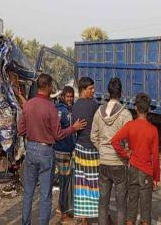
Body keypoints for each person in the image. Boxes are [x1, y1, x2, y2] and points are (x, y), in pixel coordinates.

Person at [18, 74, 86, 225]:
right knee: (45, 194)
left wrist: (32, 134)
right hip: (46, 151)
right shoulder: (50, 107)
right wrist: (73, 128)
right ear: (48, 87)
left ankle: (25, 222)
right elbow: (58, 134)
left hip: (31, 149)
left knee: (28, 192)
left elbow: (21, 129)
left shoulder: (28, 105)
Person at [111, 93, 159, 225]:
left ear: (136, 108)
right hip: (147, 172)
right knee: (145, 211)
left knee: (131, 207)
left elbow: (114, 141)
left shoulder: (130, 126)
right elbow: (155, 156)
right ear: (149, 109)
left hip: (132, 168)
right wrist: (156, 178)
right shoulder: (153, 130)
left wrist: (126, 154)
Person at [90, 77, 133, 225]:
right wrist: (126, 154)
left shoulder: (98, 112)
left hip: (103, 162)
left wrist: (102, 149)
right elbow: (130, 142)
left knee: (103, 203)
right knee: (121, 206)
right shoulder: (126, 114)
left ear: (108, 93)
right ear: (121, 93)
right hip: (119, 163)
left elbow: (93, 136)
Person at [72, 77, 100, 224]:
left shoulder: (75, 106)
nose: (93, 91)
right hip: (92, 150)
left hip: (79, 148)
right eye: (91, 89)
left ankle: (84, 219)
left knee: (81, 183)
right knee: (95, 184)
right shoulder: (94, 105)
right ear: (83, 90)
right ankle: (100, 214)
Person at [54, 86, 76, 223]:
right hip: (61, 150)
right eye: (67, 96)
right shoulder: (60, 111)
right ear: (63, 96)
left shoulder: (70, 110)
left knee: (67, 181)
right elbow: (57, 131)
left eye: (71, 96)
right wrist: (73, 128)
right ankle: (63, 212)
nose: (70, 99)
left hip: (69, 150)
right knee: (64, 181)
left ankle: (60, 207)